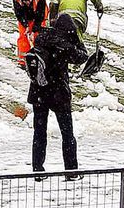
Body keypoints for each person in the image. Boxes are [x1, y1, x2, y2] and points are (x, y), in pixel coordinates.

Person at [28, 13, 89, 181]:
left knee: (39, 132)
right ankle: (71, 171)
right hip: (58, 94)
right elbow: (82, 56)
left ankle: (37, 170)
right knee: (67, 134)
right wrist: (77, 39)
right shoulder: (65, 45)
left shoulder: (42, 37)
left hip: (38, 91)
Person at [13, 0, 49, 66]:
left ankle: (39, 59)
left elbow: (40, 16)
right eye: (26, 1)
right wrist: (26, 26)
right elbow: (19, 14)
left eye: (29, 0)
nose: (28, 3)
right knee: (23, 37)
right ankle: (23, 61)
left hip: (39, 15)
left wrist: (34, 30)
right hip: (26, 16)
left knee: (38, 37)